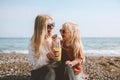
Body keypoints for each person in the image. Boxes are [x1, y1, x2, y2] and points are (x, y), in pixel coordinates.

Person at [28, 14, 56, 80]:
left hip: (53, 69)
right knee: (49, 69)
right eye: (49, 25)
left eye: (53, 24)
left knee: (66, 67)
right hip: (39, 72)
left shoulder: (55, 39)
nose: (52, 27)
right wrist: (47, 57)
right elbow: (35, 64)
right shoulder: (33, 43)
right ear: (41, 27)